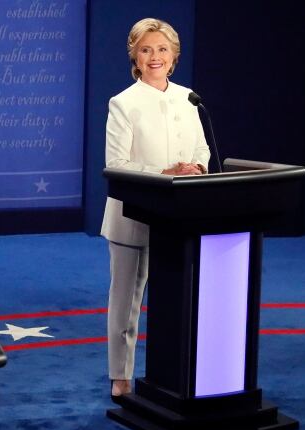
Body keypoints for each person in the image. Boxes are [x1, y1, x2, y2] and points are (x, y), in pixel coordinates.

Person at [102, 18, 210, 399]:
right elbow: (116, 163)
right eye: (146, 49)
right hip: (132, 216)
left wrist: (196, 168)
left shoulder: (188, 97)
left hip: (179, 218)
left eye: (162, 49)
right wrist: (164, 171)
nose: (154, 57)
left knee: (176, 302)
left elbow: (201, 148)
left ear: (174, 55)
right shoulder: (124, 102)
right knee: (127, 302)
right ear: (134, 54)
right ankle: (121, 375)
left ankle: (174, 374)